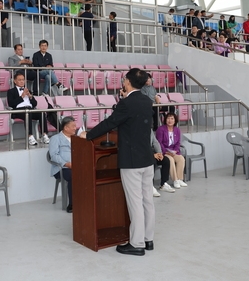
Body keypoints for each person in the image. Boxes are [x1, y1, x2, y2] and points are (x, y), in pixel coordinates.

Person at [80, 68, 155, 256]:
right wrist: (123, 100)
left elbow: (110, 123)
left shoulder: (126, 103)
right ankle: (148, 239)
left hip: (131, 161)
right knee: (147, 200)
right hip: (147, 158)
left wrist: (88, 135)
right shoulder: (147, 100)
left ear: (127, 82)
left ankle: (136, 244)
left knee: (135, 202)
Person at [7, 72, 50, 146]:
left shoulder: (28, 90)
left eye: (23, 80)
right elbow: (11, 104)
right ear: (15, 81)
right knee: (28, 113)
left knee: (41, 113)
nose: (21, 81)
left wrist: (30, 96)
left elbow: (35, 104)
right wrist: (22, 96)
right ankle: (30, 136)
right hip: (19, 110)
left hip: (29, 109)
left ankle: (44, 134)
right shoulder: (11, 91)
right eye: (19, 80)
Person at [49, 116, 77, 213]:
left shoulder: (76, 138)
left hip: (76, 166)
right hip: (62, 168)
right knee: (73, 175)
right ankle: (72, 204)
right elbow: (53, 156)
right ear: (66, 128)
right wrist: (67, 164)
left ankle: (85, 201)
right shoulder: (56, 138)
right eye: (73, 126)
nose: (75, 128)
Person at [155, 112, 187, 189]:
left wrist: (175, 151)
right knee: (171, 160)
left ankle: (180, 179)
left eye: (172, 118)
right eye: (168, 118)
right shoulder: (161, 129)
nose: (170, 120)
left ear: (175, 120)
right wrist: (166, 152)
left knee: (181, 159)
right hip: (164, 152)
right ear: (165, 120)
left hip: (173, 151)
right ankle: (175, 180)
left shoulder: (177, 130)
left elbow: (178, 143)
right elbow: (159, 143)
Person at [150, 130, 175, 197]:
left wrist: (159, 153)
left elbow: (155, 142)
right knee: (152, 162)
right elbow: (143, 147)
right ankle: (150, 186)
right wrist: (152, 155)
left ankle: (163, 184)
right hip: (145, 155)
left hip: (153, 153)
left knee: (166, 160)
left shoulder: (150, 130)